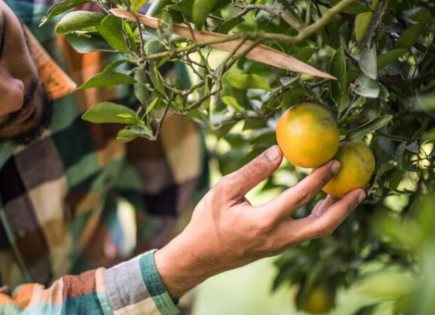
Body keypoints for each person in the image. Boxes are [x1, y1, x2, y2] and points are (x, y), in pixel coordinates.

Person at [0, 0, 366, 314]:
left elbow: (175, 203)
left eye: (0, 39)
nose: (14, 94)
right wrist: (180, 266)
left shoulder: (107, 33)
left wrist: (159, 277)